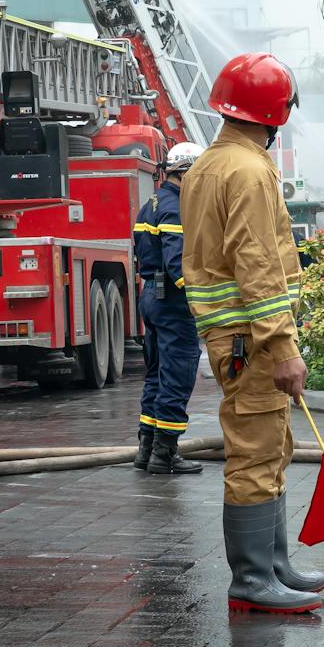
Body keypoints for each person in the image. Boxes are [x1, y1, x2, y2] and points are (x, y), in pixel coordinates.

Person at [182, 53, 324, 614]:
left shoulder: (209, 165)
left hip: (235, 339)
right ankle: (251, 579)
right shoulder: (249, 170)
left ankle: (272, 565)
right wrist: (283, 346)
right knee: (255, 454)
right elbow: (258, 261)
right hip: (252, 339)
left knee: (270, 447)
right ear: (275, 112)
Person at [134, 140, 205, 475]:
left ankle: (146, 449)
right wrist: (199, 299)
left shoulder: (150, 203)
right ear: (186, 173)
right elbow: (178, 263)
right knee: (177, 376)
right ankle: (165, 455)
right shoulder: (175, 207)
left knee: (156, 376)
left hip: (151, 295)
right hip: (173, 303)